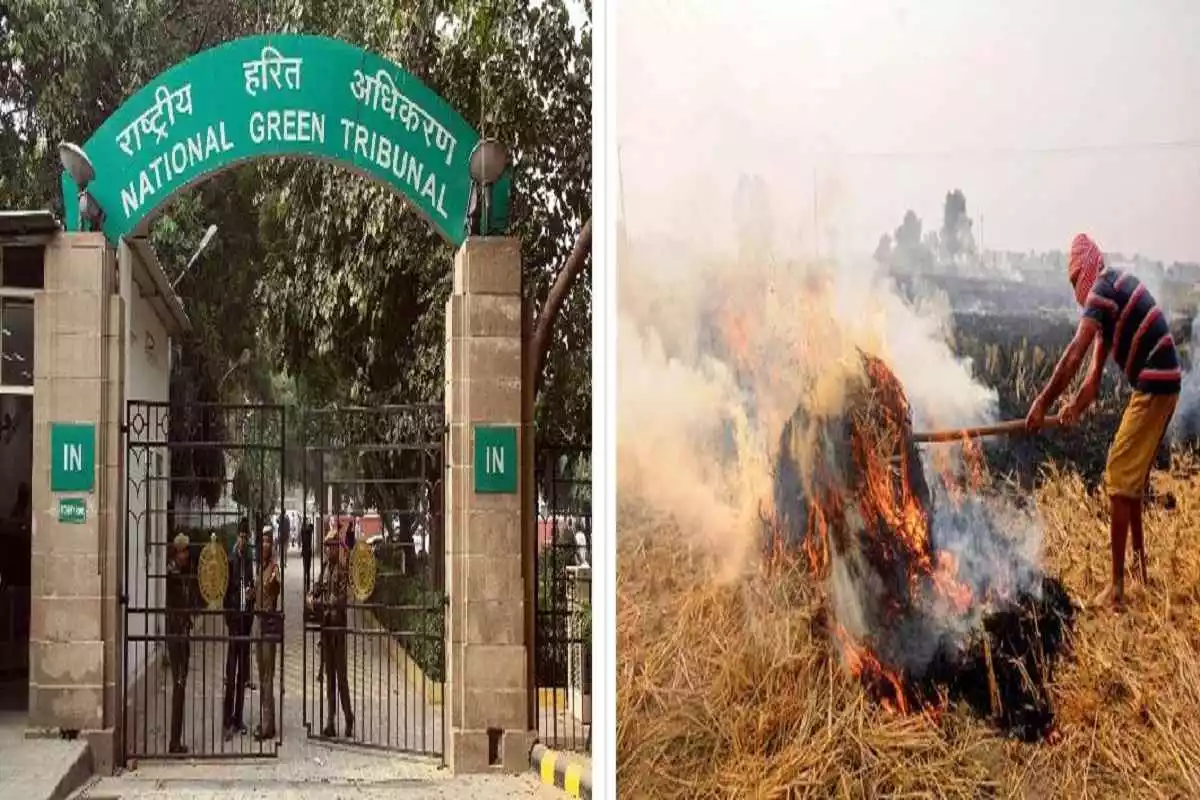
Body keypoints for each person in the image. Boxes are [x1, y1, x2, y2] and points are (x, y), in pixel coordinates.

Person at [1026, 233, 1181, 610]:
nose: (1076, 288)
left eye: (1076, 277)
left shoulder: (1102, 288)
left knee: (1116, 476)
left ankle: (1115, 590)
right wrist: (1073, 409)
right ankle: (1140, 571)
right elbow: (1092, 382)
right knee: (1134, 477)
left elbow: (1073, 354)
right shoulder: (1110, 296)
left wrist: (1041, 404)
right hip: (1163, 380)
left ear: (1088, 269)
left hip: (1155, 381)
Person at [308, 529, 354, 738]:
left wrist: (327, 602)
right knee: (329, 678)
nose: (327, 550)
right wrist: (311, 596)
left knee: (341, 677)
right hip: (326, 628)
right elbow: (317, 587)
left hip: (338, 629)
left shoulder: (343, 570)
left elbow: (344, 598)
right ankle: (330, 721)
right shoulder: (325, 568)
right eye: (326, 547)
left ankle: (348, 717)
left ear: (337, 547)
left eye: (330, 546)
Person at [222, 520, 256, 740]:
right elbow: (225, 594)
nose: (244, 540)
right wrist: (231, 619)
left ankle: (239, 716)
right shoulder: (231, 560)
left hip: (246, 622)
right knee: (231, 674)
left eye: (246, 536)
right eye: (241, 536)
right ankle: (227, 721)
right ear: (237, 538)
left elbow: (251, 584)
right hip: (235, 621)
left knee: (243, 674)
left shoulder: (248, 560)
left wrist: (251, 594)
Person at [166, 533, 195, 754]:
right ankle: (174, 742)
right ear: (177, 552)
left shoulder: (183, 572)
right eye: (183, 551)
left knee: (181, 685)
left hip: (182, 633)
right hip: (176, 635)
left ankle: (176, 739)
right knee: (178, 685)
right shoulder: (172, 574)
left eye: (187, 550)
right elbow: (175, 605)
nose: (186, 554)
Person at [253, 528, 282, 741]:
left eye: (267, 542)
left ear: (271, 545)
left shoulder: (274, 568)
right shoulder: (260, 568)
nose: (264, 545)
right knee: (261, 674)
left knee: (267, 676)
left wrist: (273, 582)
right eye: (262, 541)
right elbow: (260, 592)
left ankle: (268, 724)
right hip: (258, 622)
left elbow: (275, 587)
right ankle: (266, 720)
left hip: (269, 624)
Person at [301, 519, 315, 589]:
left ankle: (307, 585)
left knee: (308, 569)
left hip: (308, 551)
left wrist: (309, 523)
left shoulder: (308, 529)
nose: (307, 522)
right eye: (306, 521)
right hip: (305, 551)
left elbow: (312, 527)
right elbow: (308, 529)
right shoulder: (304, 529)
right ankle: (306, 583)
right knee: (306, 569)